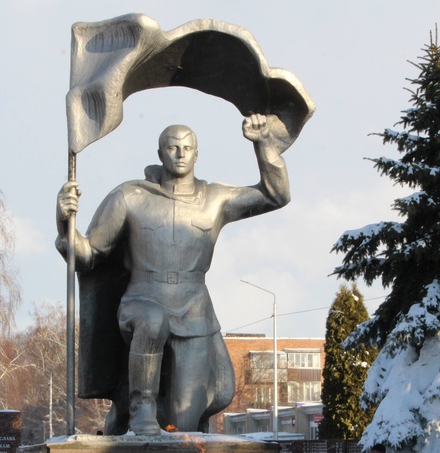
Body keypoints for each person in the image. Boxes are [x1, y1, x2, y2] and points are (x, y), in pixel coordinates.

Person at [56, 114, 289, 436]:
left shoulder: (215, 199)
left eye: (187, 147)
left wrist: (264, 146)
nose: (180, 153)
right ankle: (140, 408)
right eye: (172, 147)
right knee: (153, 320)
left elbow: (275, 195)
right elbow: (89, 255)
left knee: (182, 425)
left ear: (196, 154)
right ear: (160, 154)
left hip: (194, 312)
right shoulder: (129, 197)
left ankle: (142, 424)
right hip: (140, 301)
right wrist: (63, 221)